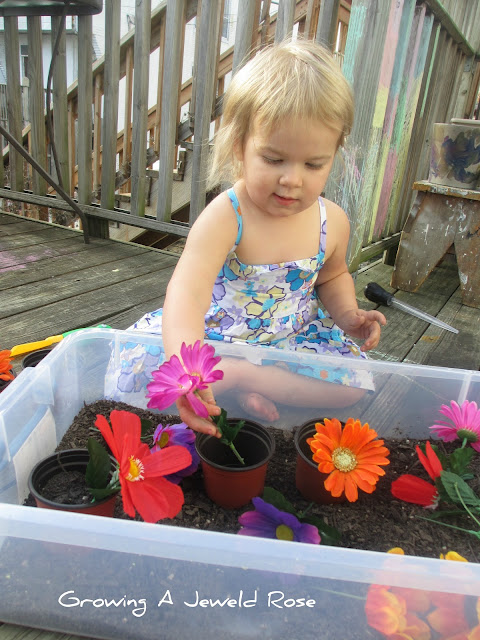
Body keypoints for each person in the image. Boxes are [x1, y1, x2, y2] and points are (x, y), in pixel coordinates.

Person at [106, 38, 386, 436]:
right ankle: (233, 384)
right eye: (273, 159)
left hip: (289, 338)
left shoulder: (332, 221)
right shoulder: (226, 216)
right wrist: (189, 372)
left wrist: (347, 315)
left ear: (334, 156)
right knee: (147, 374)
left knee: (353, 386)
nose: (292, 179)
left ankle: (243, 380)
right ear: (239, 146)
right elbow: (187, 295)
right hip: (217, 339)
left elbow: (333, 276)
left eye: (313, 164)